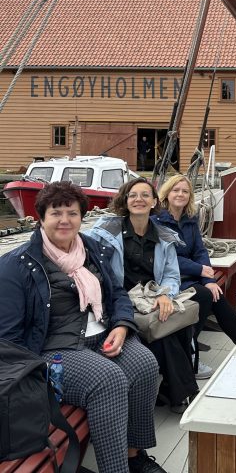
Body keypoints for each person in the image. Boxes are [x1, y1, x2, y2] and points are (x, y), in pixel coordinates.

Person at [0, 181, 166, 473]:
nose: (64, 220)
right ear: (41, 217)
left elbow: (117, 294)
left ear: (81, 217)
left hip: (102, 335)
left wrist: (122, 326)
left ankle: (133, 456)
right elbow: (9, 338)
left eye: (72, 213)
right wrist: (35, 373)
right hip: (52, 351)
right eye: (56, 213)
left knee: (145, 364)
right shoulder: (17, 265)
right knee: (108, 380)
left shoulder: (92, 249)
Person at [87, 178, 199, 414]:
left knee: (168, 321)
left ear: (154, 202)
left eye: (145, 195)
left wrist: (164, 294)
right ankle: (183, 394)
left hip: (151, 299)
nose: (139, 199)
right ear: (125, 201)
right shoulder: (105, 232)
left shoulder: (164, 237)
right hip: (120, 301)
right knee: (165, 331)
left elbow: (171, 275)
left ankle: (175, 391)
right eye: (133, 195)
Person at [154, 175, 236, 349]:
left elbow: (200, 251)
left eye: (185, 191)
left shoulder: (190, 220)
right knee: (205, 296)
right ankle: (189, 348)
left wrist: (209, 280)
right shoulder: (157, 222)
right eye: (175, 190)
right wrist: (198, 269)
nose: (180, 194)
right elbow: (166, 257)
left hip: (191, 274)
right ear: (167, 194)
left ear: (190, 196)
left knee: (217, 296)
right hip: (170, 278)